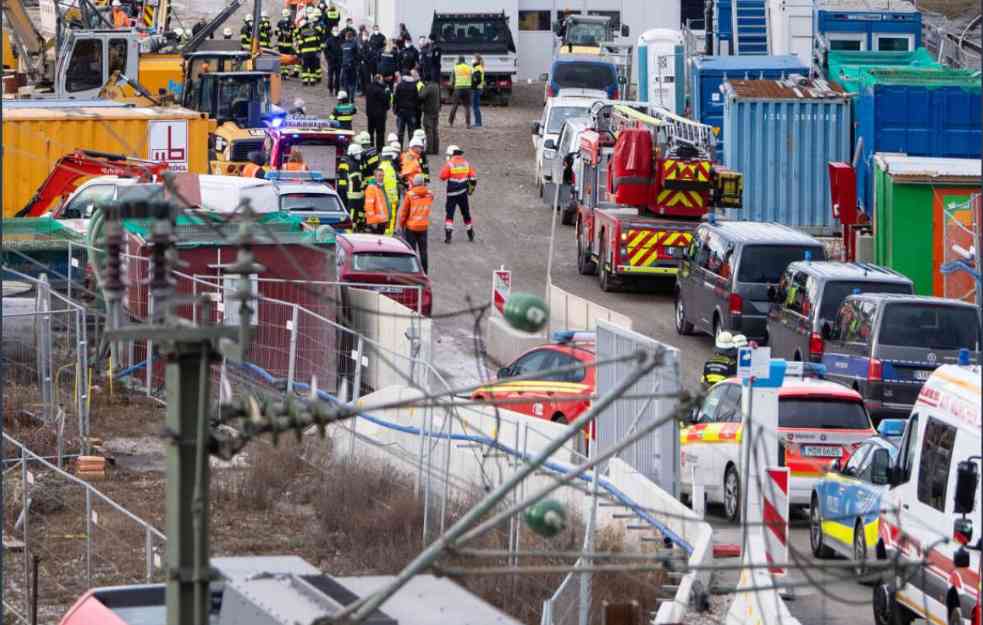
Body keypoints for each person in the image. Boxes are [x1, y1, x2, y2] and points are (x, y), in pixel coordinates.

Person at [439, 145, 477, 243]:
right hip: (463, 193)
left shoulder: (450, 164)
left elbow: (442, 177)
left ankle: (448, 235)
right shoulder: (466, 163)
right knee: (466, 213)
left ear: (451, 154)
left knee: (450, 214)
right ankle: (470, 232)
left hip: (451, 194)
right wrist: (471, 190)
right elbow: (473, 178)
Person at [397, 174, 433, 273]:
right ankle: (425, 272)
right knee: (423, 251)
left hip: (411, 227)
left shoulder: (410, 195)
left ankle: (412, 271)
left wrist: (401, 224)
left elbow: (404, 212)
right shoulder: (430, 194)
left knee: (412, 251)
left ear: (414, 183)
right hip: (423, 226)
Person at [339, 143, 365, 227]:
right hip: (351, 191)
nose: (359, 155)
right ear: (352, 153)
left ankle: (358, 224)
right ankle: (352, 225)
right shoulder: (351, 164)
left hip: (350, 191)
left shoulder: (352, 162)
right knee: (352, 209)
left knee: (355, 209)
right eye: (358, 154)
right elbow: (351, 179)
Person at [392, 71, 420, 147]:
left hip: (401, 111)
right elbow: (416, 99)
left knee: (400, 132)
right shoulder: (414, 86)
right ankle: (411, 147)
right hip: (411, 111)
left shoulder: (400, 85)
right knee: (411, 132)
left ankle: (399, 147)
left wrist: (395, 109)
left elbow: (395, 98)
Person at [378, 146, 401, 235]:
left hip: (386, 199)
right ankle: (388, 237)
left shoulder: (382, 167)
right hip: (390, 200)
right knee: (390, 221)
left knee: (387, 220)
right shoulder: (389, 168)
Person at [364, 74, 389, 151]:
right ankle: (380, 148)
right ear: (379, 80)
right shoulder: (380, 90)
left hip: (370, 114)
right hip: (380, 114)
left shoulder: (368, 88)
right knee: (380, 132)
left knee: (370, 132)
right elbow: (386, 101)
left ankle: (371, 147)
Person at [363, 167, 390, 234]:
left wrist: (387, 218)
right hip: (376, 222)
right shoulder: (371, 188)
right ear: (375, 177)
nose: (382, 178)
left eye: (383, 175)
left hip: (381, 221)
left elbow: (384, 205)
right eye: (379, 175)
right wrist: (373, 221)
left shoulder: (380, 187)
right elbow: (369, 206)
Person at [296, 17, 321, 86]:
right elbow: (317, 42)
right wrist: (318, 51)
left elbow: (300, 44)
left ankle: (305, 81)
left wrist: (299, 53)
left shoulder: (303, 33)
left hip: (305, 53)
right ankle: (312, 81)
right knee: (312, 66)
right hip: (313, 53)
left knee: (305, 67)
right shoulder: (313, 32)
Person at [448, 56, 472, 128]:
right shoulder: (469, 68)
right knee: (467, 107)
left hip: (458, 88)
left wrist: (451, 85)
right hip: (467, 88)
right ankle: (468, 124)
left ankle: (450, 123)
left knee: (455, 106)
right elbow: (472, 78)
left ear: (459, 60)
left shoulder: (455, 68)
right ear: (464, 61)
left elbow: (452, 81)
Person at [419, 78, 441, 156]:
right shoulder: (436, 86)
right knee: (435, 130)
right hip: (436, 110)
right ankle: (436, 149)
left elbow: (421, 96)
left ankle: (429, 149)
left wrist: (421, 89)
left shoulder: (428, 87)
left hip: (428, 111)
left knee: (429, 130)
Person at [276, 9, 298, 79]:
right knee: (282, 59)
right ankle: (284, 73)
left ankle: (287, 73)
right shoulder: (280, 23)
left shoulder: (292, 23)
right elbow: (276, 32)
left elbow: (295, 33)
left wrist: (290, 34)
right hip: (281, 44)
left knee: (288, 58)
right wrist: (281, 33)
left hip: (288, 44)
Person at [339, 30, 359, 99]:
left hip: (345, 66)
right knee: (353, 83)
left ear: (346, 37)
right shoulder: (355, 45)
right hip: (352, 66)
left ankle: (347, 97)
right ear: (352, 37)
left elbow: (341, 56)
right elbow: (358, 55)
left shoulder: (343, 45)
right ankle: (352, 98)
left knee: (346, 83)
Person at [324, 27, 342, 95]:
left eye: (337, 30)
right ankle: (330, 90)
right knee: (330, 77)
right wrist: (328, 58)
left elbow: (342, 51)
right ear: (332, 31)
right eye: (334, 30)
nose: (336, 32)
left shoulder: (340, 40)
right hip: (331, 62)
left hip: (338, 62)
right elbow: (325, 50)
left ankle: (337, 90)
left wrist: (341, 59)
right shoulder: (329, 40)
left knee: (338, 77)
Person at [471, 55, 485, 128]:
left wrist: (473, 86)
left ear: (477, 60)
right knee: (476, 106)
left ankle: (478, 123)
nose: (472, 60)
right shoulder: (478, 67)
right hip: (478, 88)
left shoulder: (477, 68)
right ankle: (478, 122)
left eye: (473, 58)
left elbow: (477, 79)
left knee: (475, 106)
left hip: (476, 89)